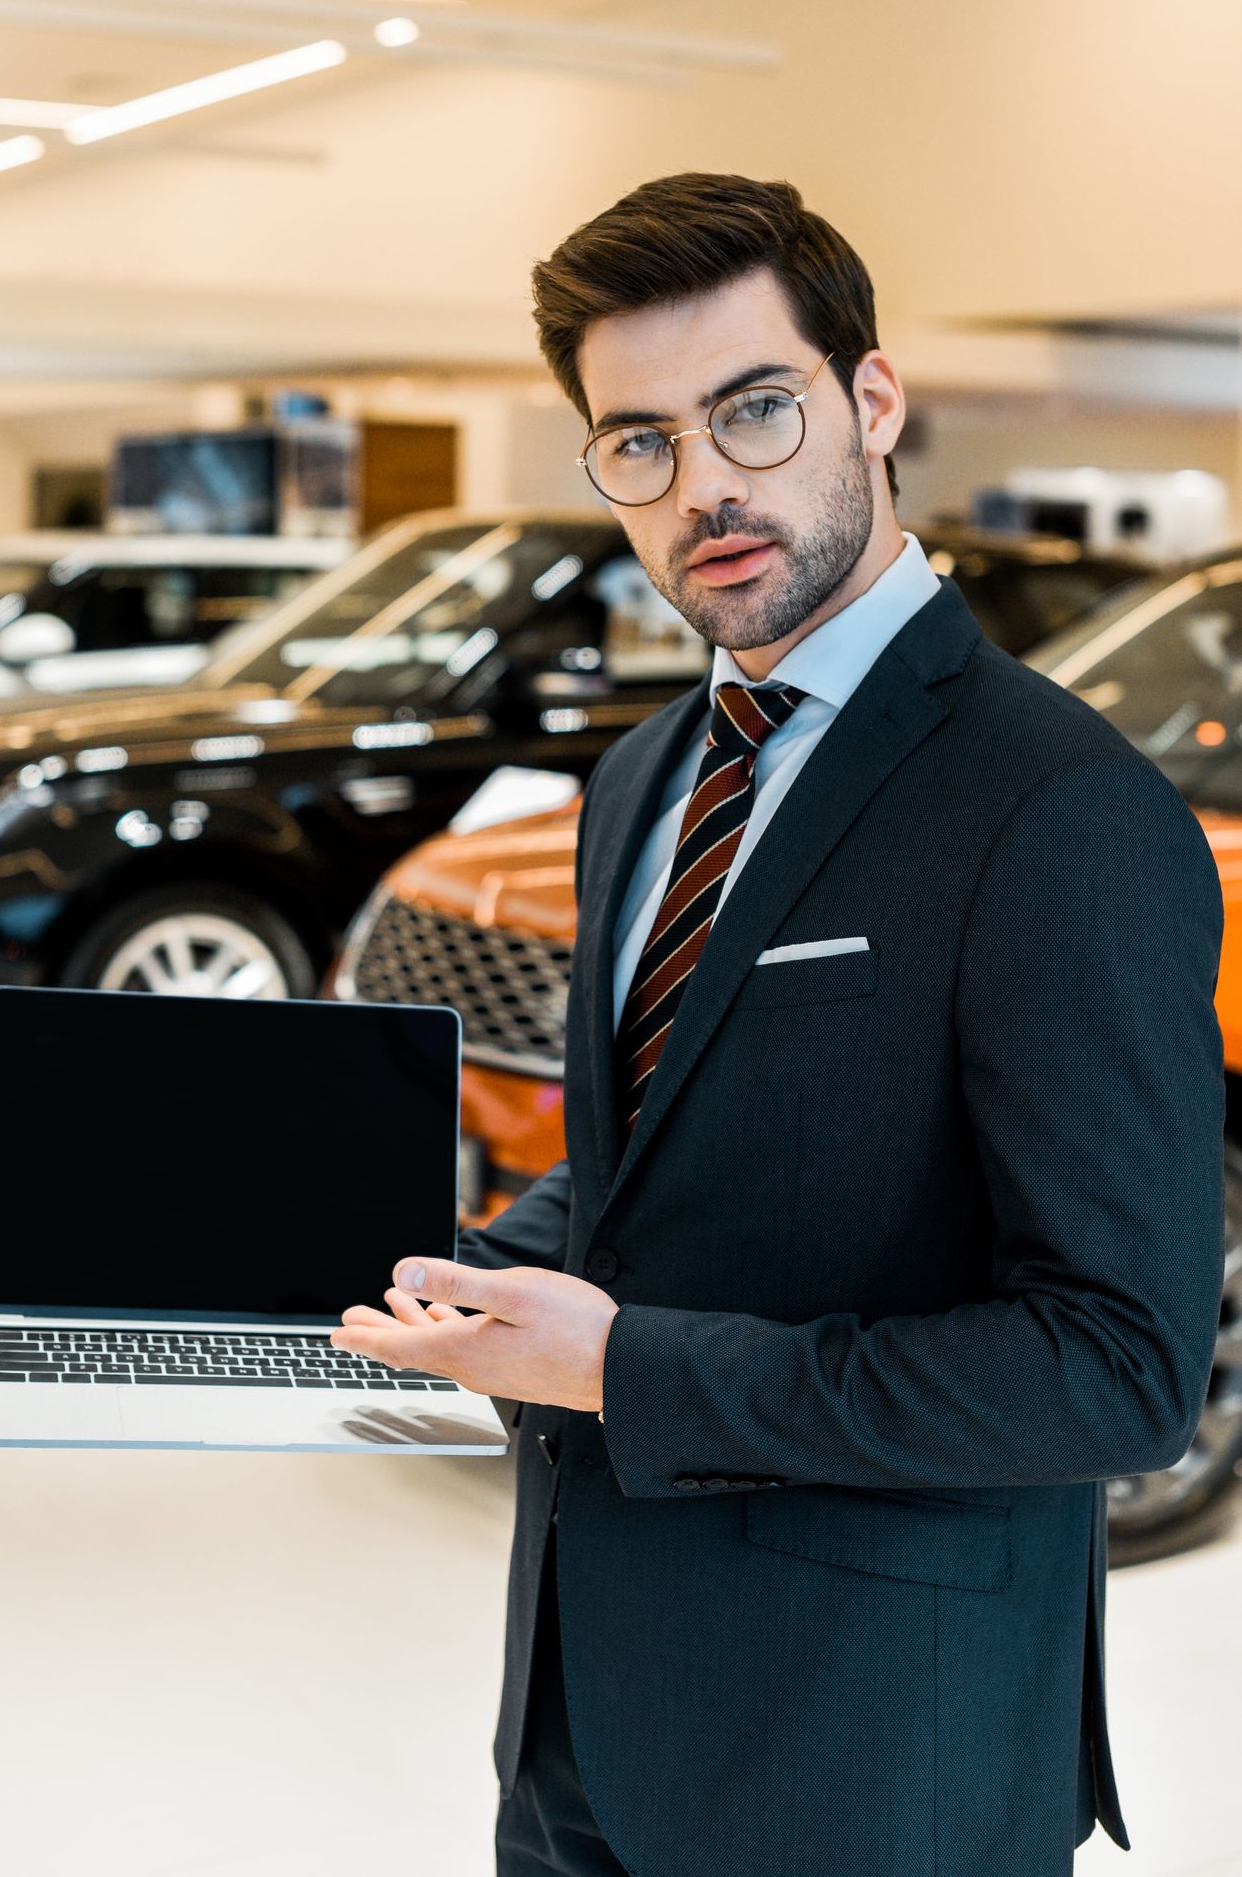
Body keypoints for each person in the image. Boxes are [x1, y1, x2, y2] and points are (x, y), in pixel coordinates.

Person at [331, 171, 1226, 1875]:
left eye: (756, 408)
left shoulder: (1057, 809)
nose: (707, 488)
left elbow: (1117, 1374)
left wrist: (620, 1366)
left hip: (877, 1753)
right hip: (581, 1725)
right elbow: (651, 1174)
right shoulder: (640, 780)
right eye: (639, 441)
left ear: (871, 401)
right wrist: (429, 1275)